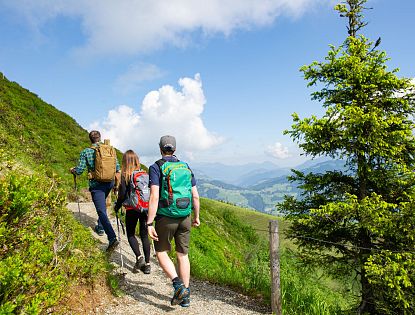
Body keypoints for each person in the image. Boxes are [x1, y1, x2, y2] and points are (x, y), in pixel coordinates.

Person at [147, 135, 200, 308]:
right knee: (182, 255)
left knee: (161, 252)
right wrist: (196, 217)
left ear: (160, 149)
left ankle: (178, 285)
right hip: (185, 215)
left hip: (166, 215)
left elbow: (154, 196)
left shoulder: (156, 167)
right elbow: (195, 196)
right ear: (175, 150)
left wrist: (149, 223)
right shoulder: (185, 166)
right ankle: (186, 296)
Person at [70, 130, 121, 252]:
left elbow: (80, 170)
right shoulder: (109, 150)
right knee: (102, 204)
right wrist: (116, 187)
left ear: (90, 139)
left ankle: (112, 237)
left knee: (101, 210)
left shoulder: (86, 152)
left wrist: (73, 170)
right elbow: (117, 169)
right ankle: (100, 226)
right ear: (100, 138)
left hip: (97, 185)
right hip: (109, 183)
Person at [114, 150, 151, 274]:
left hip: (132, 208)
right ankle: (147, 264)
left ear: (125, 161)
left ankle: (139, 257)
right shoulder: (144, 174)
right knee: (144, 235)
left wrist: (117, 207)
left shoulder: (126, 176)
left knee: (130, 234)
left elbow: (122, 195)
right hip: (146, 208)